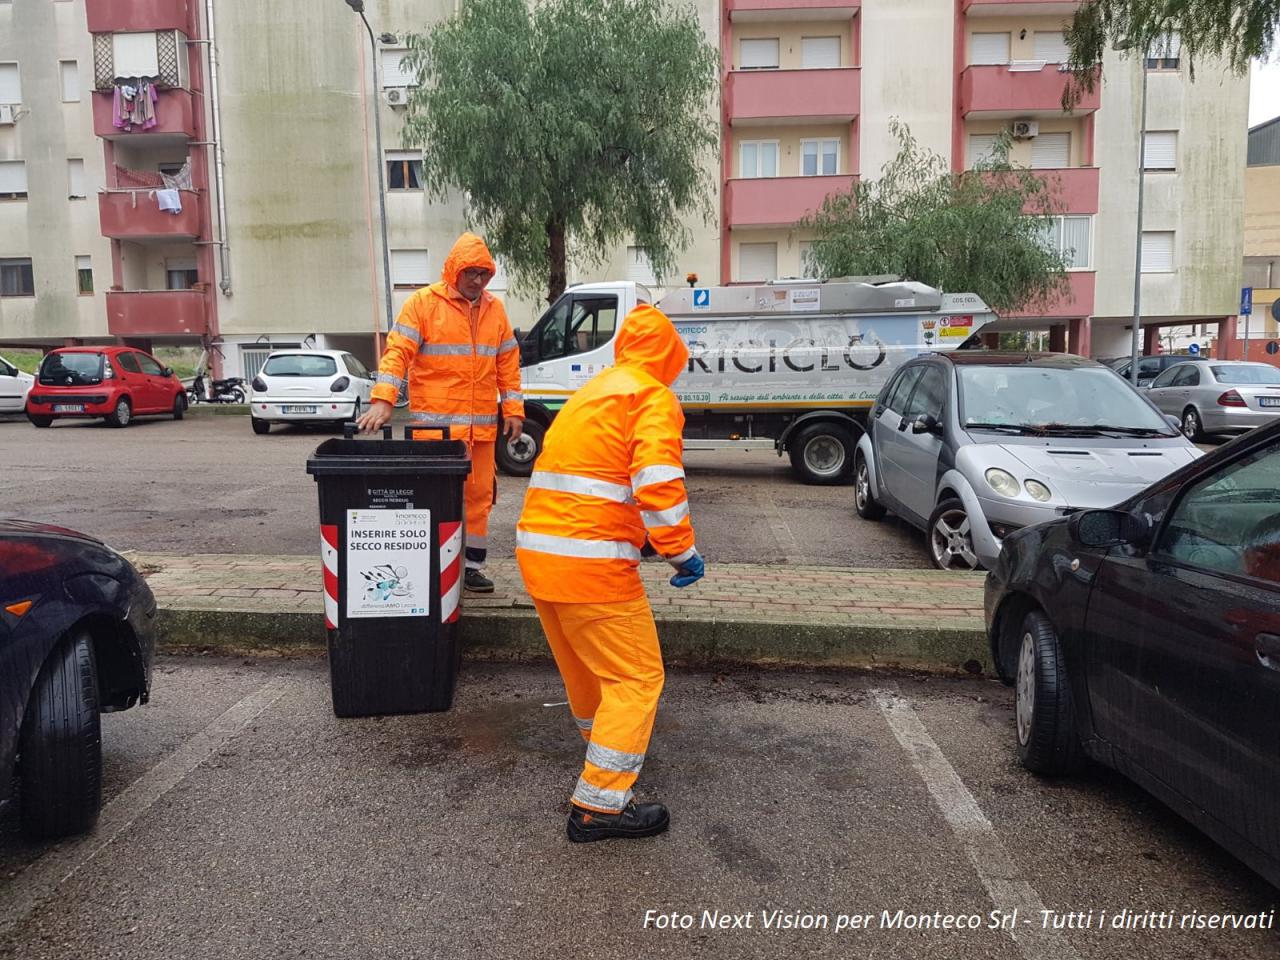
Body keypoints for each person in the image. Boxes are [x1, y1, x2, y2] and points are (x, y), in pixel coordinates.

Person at [515, 303, 704, 842]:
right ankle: (601, 802)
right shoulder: (650, 395)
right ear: (668, 355)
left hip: (542, 557)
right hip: (591, 567)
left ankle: (609, 755)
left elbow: (594, 476)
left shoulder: (591, 393)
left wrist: (636, 536)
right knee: (637, 678)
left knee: (588, 674)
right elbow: (657, 481)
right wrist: (678, 550)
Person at [357, 232, 523, 593]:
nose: (478, 280)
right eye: (471, 272)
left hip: (480, 432)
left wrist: (513, 409)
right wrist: (383, 399)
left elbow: (508, 362)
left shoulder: (495, 310)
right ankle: (430, 565)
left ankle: (471, 567)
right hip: (437, 432)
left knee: (479, 498)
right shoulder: (422, 304)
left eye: (484, 273)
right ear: (453, 271)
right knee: (434, 499)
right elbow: (397, 351)